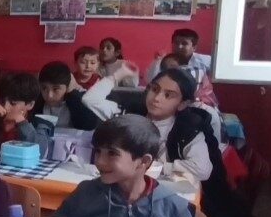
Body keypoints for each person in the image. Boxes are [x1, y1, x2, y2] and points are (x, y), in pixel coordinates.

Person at [52, 115, 215, 217]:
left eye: (112, 154)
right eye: (98, 151)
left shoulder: (170, 206)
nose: (99, 161)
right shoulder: (86, 193)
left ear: (143, 162)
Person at [83, 66, 218, 192]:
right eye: (154, 89)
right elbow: (90, 100)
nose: (157, 98)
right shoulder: (129, 116)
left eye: (168, 95)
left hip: (162, 192)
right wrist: (118, 75)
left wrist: (156, 167)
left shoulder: (187, 128)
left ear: (182, 104)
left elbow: (202, 169)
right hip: (122, 187)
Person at [0, 73, 46, 155]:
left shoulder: (39, 124)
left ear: (30, 104)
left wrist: (22, 123)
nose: (6, 106)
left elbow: (40, 152)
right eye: (2, 102)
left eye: (13, 103)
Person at [33, 61, 100, 131]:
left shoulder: (81, 98)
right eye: (44, 88)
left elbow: (89, 126)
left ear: (68, 87)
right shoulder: (38, 100)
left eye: (56, 89)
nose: (50, 95)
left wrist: (72, 94)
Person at [145, 28, 213, 85]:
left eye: (184, 43)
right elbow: (150, 81)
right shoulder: (165, 60)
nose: (179, 47)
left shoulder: (206, 61)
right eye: (176, 43)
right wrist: (157, 61)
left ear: (194, 47)